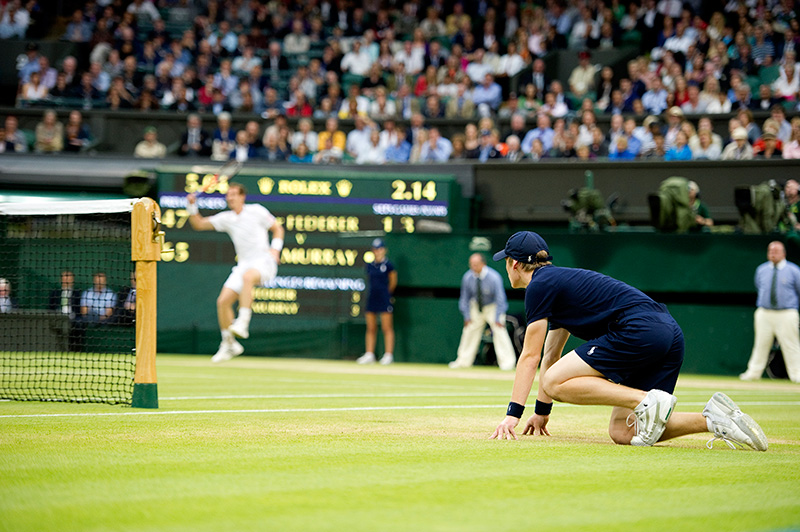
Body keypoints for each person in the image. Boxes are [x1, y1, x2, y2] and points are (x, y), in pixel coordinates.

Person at [489, 231, 768, 451]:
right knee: (624, 432)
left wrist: (513, 415)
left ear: (514, 264)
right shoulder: (557, 285)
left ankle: (646, 399)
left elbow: (531, 357)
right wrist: (541, 412)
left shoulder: (539, 285)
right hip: (668, 333)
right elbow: (550, 353)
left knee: (553, 380)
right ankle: (715, 420)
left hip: (639, 330)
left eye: (506, 263)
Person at [187, 183, 285, 363]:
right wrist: (191, 205)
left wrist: (275, 249)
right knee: (223, 302)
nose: (230, 197)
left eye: (233, 194)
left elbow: (278, 229)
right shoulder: (226, 218)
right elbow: (199, 224)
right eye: (228, 195)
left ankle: (243, 322)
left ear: (242, 196)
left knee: (248, 277)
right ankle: (229, 343)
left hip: (264, 262)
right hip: (243, 265)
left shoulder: (256, 211)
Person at [740, 241, 800, 384]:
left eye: (776, 250)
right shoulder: (761, 270)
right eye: (770, 250)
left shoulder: (793, 270)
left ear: (783, 253)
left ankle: (797, 374)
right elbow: (759, 286)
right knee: (761, 344)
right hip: (764, 312)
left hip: (787, 312)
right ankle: (753, 373)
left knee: (791, 345)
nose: (772, 253)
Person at [449, 253, 517, 371]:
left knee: (500, 331)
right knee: (469, 331)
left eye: (476, 265)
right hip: (476, 307)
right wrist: (467, 316)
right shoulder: (467, 277)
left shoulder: (494, 277)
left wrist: (497, 317)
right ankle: (463, 361)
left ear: (483, 264)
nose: (473, 267)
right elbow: (464, 298)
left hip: (493, 307)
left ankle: (507, 363)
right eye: (471, 265)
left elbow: (500, 298)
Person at [357, 238, 397, 365]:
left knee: (387, 327)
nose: (377, 251)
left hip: (384, 297)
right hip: (372, 297)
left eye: (380, 249)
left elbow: (393, 282)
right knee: (371, 327)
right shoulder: (369, 266)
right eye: (375, 249)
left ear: (384, 250)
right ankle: (369, 354)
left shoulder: (389, 265)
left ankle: (388, 355)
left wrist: (387, 294)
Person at [48, 270, 84, 351]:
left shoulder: (77, 293)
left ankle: (75, 350)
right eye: (65, 277)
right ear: (61, 279)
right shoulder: (55, 293)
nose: (67, 279)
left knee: (78, 324)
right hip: (57, 318)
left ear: (72, 279)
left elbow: (79, 311)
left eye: (69, 277)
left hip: (72, 319)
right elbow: (50, 308)